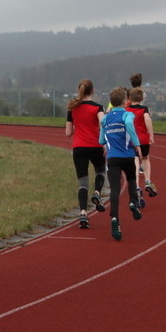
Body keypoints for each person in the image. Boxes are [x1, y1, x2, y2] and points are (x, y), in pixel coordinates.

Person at [99, 86, 144, 242]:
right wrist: (137, 145)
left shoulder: (105, 119)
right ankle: (133, 203)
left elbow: (101, 140)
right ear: (125, 101)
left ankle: (114, 218)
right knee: (131, 179)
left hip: (112, 159)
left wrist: (107, 143)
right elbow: (130, 126)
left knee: (115, 189)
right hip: (127, 156)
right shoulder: (127, 115)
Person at [64, 78, 107, 229]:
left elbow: (68, 133)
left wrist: (79, 126)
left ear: (79, 90)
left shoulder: (72, 108)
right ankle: (97, 193)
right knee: (101, 171)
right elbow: (103, 122)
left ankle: (83, 213)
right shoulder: (98, 107)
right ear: (93, 91)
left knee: (83, 183)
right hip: (95, 146)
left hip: (79, 148)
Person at [126, 86, 158, 198]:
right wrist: (151, 135)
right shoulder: (144, 109)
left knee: (134, 161)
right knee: (145, 158)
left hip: (131, 140)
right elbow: (148, 120)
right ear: (142, 99)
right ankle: (147, 181)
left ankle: (136, 186)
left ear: (129, 98)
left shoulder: (127, 110)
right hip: (143, 140)